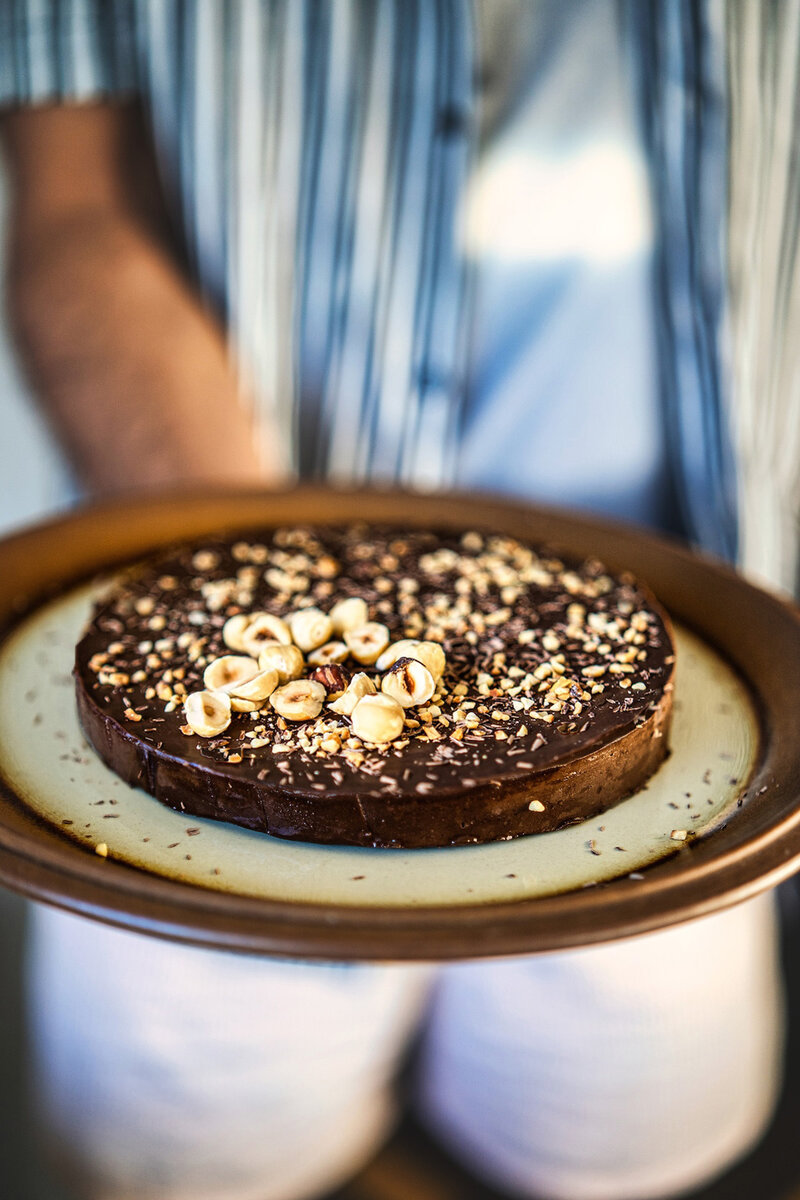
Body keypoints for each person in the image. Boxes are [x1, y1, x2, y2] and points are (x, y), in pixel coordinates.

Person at [0, 3, 791, 1199]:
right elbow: (79, 208)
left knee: (620, 1158)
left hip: (677, 704)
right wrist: (237, 602)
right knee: (189, 1168)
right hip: (209, 716)